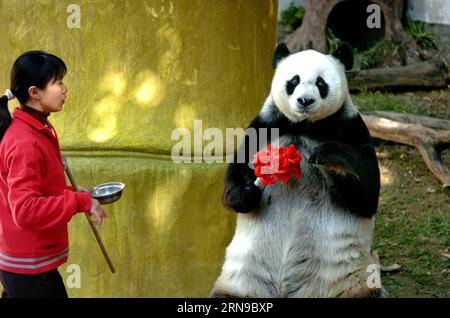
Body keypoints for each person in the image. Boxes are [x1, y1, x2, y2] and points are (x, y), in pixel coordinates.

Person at [0, 51, 107, 298]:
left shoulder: (38, 127)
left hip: (29, 263)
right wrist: (79, 201)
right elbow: (26, 210)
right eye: (57, 82)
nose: (64, 89)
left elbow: (39, 190)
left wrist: (74, 195)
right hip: (30, 268)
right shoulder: (24, 140)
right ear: (34, 92)